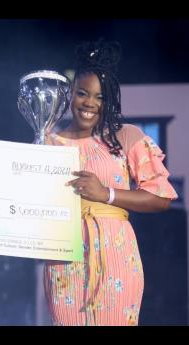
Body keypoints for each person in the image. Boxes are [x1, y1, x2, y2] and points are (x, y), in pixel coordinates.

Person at [43, 39, 178, 326]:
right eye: (82, 93)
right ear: (71, 95)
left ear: (110, 100)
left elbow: (161, 198)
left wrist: (106, 194)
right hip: (64, 261)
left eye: (100, 97)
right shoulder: (49, 140)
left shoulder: (126, 136)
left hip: (116, 260)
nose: (90, 103)